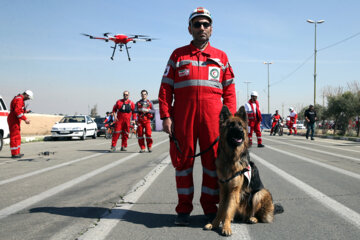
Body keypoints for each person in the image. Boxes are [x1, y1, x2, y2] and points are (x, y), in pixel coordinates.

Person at [158, 7, 236, 226]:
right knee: (183, 163)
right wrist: (165, 116)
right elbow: (165, 89)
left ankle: (210, 209)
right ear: (189, 28)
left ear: (211, 29)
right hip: (183, 117)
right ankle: (183, 210)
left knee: (212, 164)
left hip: (213, 119)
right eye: (197, 24)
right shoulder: (177, 54)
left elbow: (229, 91)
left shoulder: (221, 57)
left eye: (206, 24)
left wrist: (229, 120)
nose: (201, 28)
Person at [7, 90, 33, 158]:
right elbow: (17, 111)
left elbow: (19, 110)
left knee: (17, 136)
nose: (28, 99)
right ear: (26, 95)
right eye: (28, 98)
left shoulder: (19, 99)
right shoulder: (19, 99)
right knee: (14, 137)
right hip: (13, 119)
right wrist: (25, 119)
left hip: (15, 119)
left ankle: (17, 152)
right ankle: (14, 153)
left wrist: (26, 111)